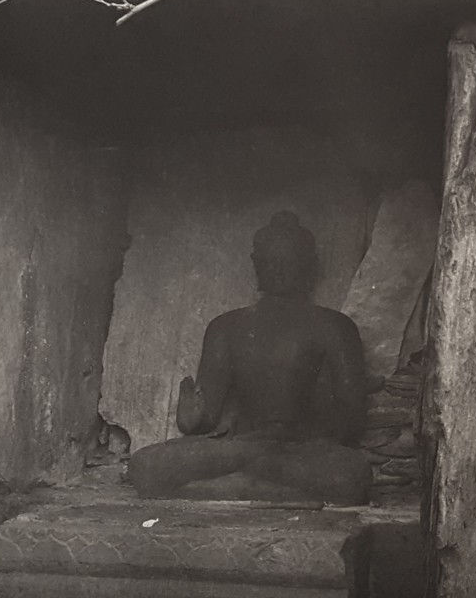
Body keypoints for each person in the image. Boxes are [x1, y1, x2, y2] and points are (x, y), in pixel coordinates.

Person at [127, 211, 371, 504]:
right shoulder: (226, 326)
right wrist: (193, 415)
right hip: (242, 447)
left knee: (352, 475)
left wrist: (304, 431)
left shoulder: (334, 326)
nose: (278, 270)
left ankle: (222, 489)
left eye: (289, 261)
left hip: (298, 450)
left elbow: (352, 420)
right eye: (270, 261)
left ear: (308, 265)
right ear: (256, 264)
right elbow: (207, 418)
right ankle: (269, 491)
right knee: (145, 465)